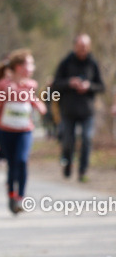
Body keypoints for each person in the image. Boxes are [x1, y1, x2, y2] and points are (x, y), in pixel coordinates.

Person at [0, 50, 47, 214]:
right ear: (19, 67)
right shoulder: (4, 85)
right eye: (30, 64)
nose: (32, 68)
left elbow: (32, 98)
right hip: (6, 131)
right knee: (12, 164)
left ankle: (20, 197)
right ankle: (11, 196)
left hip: (24, 130)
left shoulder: (31, 85)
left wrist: (39, 105)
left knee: (21, 160)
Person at [51, 34, 106, 182]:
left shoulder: (93, 63)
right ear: (75, 46)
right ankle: (68, 162)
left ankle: (83, 170)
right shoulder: (66, 63)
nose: (83, 49)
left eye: (86, 46)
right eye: (81, 46)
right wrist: (70, 83)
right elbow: (54, 84)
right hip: (68, 109)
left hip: (87, 110)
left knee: (87, 138)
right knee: (68, 140)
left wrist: (89, 86)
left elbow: (101, 86)